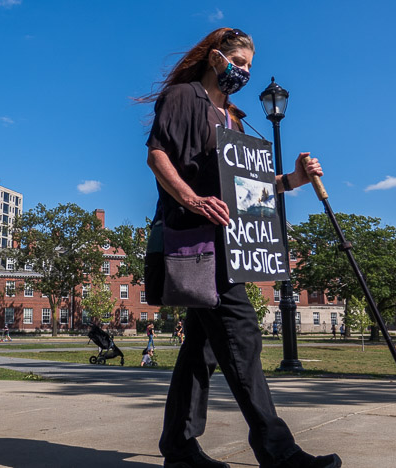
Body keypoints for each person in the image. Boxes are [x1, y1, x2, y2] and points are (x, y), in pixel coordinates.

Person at [144, 28, 340, 468]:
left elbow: (248, 189)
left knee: (202, 347)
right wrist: (192, 198)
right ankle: (278, 452)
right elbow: (158, 156)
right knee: (242, 336)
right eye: (241, 62)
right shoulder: (183, 97)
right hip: (195, 241)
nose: (246, 71)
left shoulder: (233, 117)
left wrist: (293, 180)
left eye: (250, 64)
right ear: (216, 58)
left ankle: (178, 448)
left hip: (231, 243)